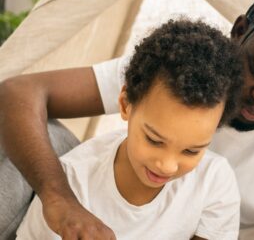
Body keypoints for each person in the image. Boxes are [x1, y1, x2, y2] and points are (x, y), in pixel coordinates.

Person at [0, 0, 254, 239]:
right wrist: (59, 197)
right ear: (240, 32)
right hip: (89, 210)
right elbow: (18, 94)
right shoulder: (181, 68)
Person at [16, 19, 242, 239]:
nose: (167, 165)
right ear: (125, 105)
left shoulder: (214, 182)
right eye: (154, 140)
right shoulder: (74, 182)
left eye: (191, 151)